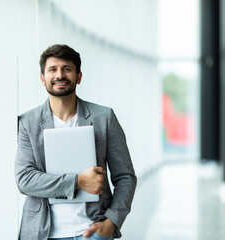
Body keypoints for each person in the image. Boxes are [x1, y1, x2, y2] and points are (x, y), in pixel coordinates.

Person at [15, 44, 137, 240]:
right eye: (52, 69)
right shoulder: (28, 122)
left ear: (78, 77)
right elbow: (25, 180)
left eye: (67, 69)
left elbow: (125, 177)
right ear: (42, 78)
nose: (59, 75)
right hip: (41, 232)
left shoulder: (104, 117)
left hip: (92, 231)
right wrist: (78, 182)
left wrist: (112, 221)